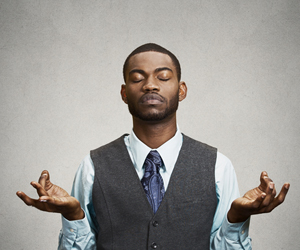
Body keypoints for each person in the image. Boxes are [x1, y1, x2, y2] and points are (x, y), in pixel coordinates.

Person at [17, 43, 290, 250]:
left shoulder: (218, 165)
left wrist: (236, 218)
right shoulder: (92, 166)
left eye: (162, 77)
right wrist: (72, 215)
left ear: (181, 90)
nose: (150, 85)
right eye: (137, 78)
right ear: (124, 94)